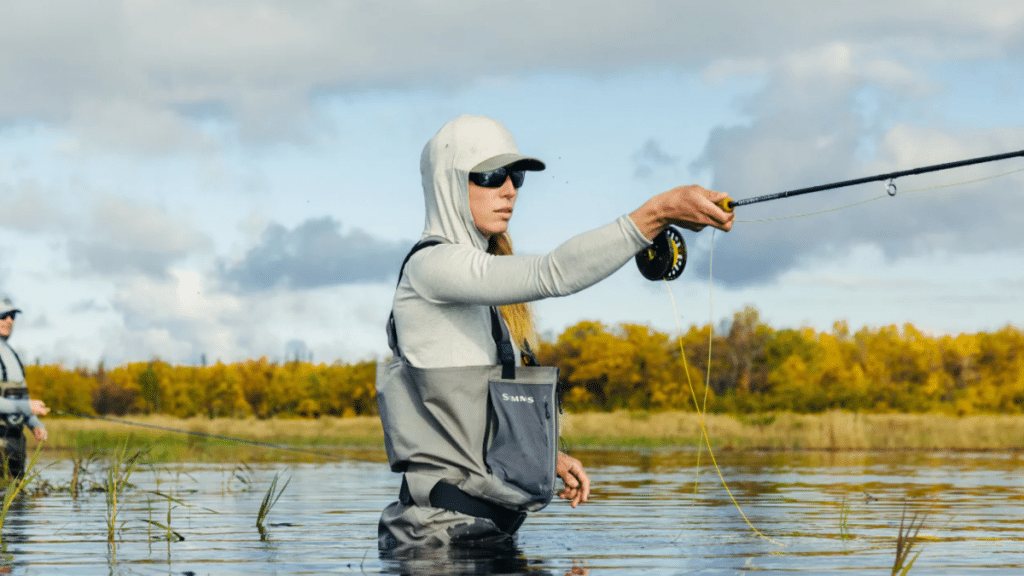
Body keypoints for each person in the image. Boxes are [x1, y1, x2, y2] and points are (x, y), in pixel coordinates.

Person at [376, 115, 733, 552]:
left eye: (516, 176)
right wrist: (656, 214)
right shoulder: (431, 268)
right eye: (491, 176)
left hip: (486, 535)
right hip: (437, 545)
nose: (509, 189)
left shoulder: (478, 284)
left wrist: (547, 459)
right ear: (447, 184)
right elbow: (553, 273)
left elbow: (471, 413)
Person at [0, 297, 49, 478]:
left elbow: (21, 398)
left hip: (15, 446)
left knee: (17, 501)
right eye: (3, 315)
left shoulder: (12, 354)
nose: (10, 321)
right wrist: (25, 407)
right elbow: (23, 405)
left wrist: (34, 423)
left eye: (12, 315)